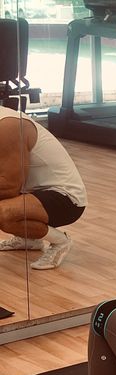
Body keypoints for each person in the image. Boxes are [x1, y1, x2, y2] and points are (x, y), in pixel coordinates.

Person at [0, 106, 87, 269]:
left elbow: (10, 186)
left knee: (3, 214)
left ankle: (61, 241)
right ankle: (29, 239)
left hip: (66, 199)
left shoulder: (7, 126)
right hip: (31, 192)